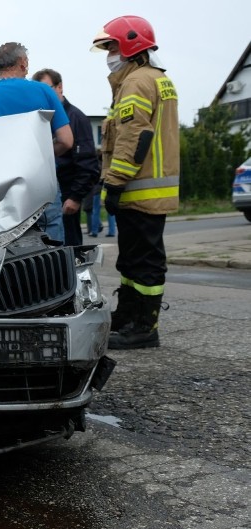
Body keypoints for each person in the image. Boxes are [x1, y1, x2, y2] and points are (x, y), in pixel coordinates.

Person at [92, 15, 179, 349]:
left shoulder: (137, 82)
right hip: (146, 187)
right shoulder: (154, 79)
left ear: (130, 45)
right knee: (132, 259)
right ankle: (128, 316)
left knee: (143, 261)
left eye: (111, 46)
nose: (108, 54)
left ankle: (143, 327)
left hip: (139, 188)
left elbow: (133, 137)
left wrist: (114, 182)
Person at [0, 42, 73, 243]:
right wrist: (42, 156)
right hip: (40, 183)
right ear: (22, 63)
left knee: (6, 246)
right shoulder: (44, 92)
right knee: (51, 246)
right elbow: (66, 141)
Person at [32, 68, 100, 246]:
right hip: (44, 200)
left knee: (70, 250)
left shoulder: (76, 118)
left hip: (67, 200)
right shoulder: (40, 120)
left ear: (60, 87)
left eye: (48, 88)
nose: (44, 95)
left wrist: (76, 197)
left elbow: (88, 164)